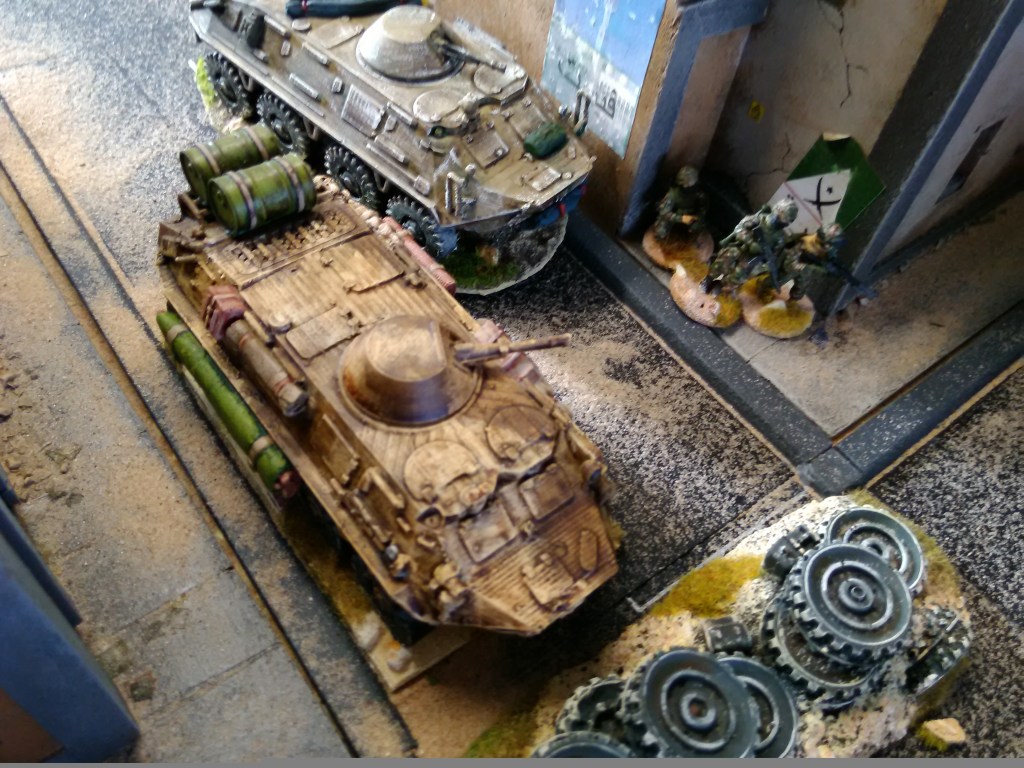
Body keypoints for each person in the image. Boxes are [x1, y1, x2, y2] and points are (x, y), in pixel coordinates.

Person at [654, 166, 709, 241]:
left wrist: (696, 218)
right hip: (676, 214)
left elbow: (702, 211)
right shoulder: (673, 193)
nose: (686, 186)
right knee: (661, 228)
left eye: (689, 185)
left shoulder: (699, 194)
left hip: (691, 215)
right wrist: (681, 218)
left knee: (697, 227)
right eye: (684, 184)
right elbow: (664, 212)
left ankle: (690, 239)